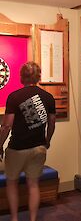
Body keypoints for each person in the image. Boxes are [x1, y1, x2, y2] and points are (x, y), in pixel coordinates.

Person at [0, 61, 56, 221]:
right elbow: (52, 123)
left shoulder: (14, 97)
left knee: (11, 183)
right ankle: (32, 219)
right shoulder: (48, 97)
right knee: (33, 185)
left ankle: (15, 218)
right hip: (39, 147)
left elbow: (6, 126)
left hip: (17, 148)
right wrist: (47, 141)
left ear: (21, 77)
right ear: (38, 76)